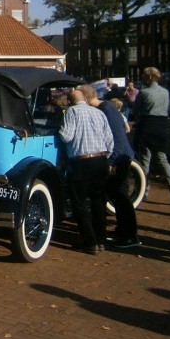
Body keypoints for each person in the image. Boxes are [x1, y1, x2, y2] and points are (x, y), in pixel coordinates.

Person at [81, 85, 141, 248]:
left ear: (85, 99)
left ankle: (130, 234)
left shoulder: (106, 110)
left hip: (119, 159)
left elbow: (118, 139)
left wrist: (111, 162)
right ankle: (123, 230)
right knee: (116, 195)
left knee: (119, 196)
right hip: (120, 157)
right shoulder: (106, 108)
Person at [59, 87, 114, 255]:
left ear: (69, 101)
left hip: (82, 162)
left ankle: (89, 241)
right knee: (98, 200)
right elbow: (109, 140)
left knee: (80, 203)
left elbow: (66, 136)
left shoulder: (71, 112)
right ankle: (101, 239)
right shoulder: (98, 113)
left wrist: (58, 129)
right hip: (100, 159)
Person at [132, 67, 170, 204]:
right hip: (161, 126)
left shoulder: (144, 93)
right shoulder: (165, 92)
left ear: (149, 77)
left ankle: (143, 190)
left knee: (145, 160)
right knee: (163, 159)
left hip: (147, 125)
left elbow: (135, 110)